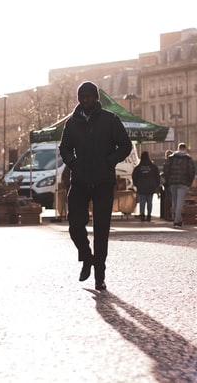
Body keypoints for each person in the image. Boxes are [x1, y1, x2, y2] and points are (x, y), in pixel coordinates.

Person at [59, 81, 132, 291]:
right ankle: (86, 256)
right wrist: (72, 162)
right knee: (75, 226)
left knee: (102, 230)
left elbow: (125, 145)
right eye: (82, 97)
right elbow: (64, 148)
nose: (85, 100)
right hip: (80, 180)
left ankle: (99, 274)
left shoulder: (110, 120)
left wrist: (110, 161)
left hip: (103, 181)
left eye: (88, 97)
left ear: (95, 98)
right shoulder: (72, 123)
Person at [163, 142, 196, 228]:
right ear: (185, 149)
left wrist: (168, 179)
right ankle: (177, 221)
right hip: (184, 183)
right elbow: (192, 171)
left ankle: (177, 219)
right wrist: (189, 182)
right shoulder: (188, 158)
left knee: (175, 201)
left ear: (178, 148)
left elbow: (166, 169)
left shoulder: (171, 158)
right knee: (180, 202)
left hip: (173, 182)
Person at [131, 151, 161, 222]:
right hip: (151, 186)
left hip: (141, 186)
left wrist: (136, 184)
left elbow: (134, 176)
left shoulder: (138, 168)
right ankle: (149, 215)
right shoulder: (153, 167)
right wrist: (156, 185)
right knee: (149, 201)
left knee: (142, 201)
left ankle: (142, 215)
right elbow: (157, 176)